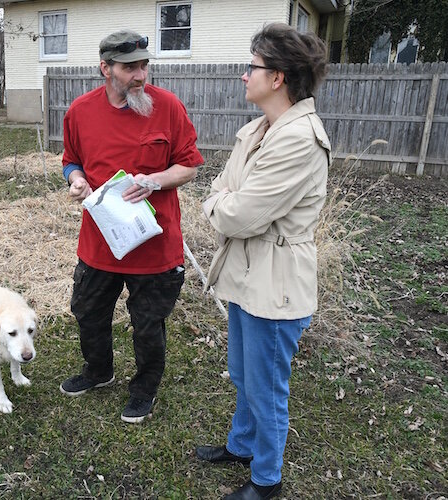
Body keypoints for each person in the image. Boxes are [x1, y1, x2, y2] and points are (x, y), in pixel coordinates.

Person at [195, 23, 331, 499]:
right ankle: (242, 445)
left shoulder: (298, 139)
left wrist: (222, 205)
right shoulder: (258, 129)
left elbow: (238, 213)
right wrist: (225, 203)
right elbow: (225, 191)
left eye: (251, 66)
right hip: (246, 275)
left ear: (277, 78)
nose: (243, 75)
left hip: (276, 284)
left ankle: (266, 481)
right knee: (243, 375)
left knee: (267, 387)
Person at [59, 29, 204, 424]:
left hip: (154, 247)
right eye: (129, 68)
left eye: (144, 66)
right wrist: (75, 179)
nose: (140, 75)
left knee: (147, 324)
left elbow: (189, 164)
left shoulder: (168, 107)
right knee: (88, 312)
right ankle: (98, 371)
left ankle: (143, 390)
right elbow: (71, 159)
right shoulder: (81, 111)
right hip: (100, 242)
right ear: (105, 68)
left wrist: (155, 180)